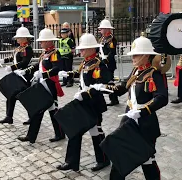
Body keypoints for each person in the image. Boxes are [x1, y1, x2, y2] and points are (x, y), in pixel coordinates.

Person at [107, 35, 168, 180]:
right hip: (129, 121)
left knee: (147, 161)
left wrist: (142, 111)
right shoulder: (136, 71)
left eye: (137, 54)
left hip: (145, 123)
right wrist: (105, 88)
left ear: (146, 55)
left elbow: (162, 98)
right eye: (133, 54)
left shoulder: (155, 74)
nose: (133, 58)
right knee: (119, 155)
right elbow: (124, 87)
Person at [56, 33, 111, 172]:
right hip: (82, 102)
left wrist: (85, 94)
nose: (81, 51)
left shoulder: (99, 63)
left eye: (84, 49)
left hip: (93, 103)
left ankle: (103, 159)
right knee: (75, 130)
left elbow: (102, 85)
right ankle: (71, 162)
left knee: (96, 132)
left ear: (92, 49)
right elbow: (80, 75)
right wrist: (67, 74)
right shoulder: (86, 61)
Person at [15, 28, 65, 143]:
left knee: (53, 111)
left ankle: (59, 133)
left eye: (42, 41)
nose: (40, 43)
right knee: (40, 110)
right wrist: (26, 71)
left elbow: (57, 68)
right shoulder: (45, 53)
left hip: (50, 85)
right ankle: (32, 136)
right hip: (42, 84)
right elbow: (37, 65)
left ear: (48, 41)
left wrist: (44, 74)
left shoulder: (54, 53)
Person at [0, 25, 34, 125]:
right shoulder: (20, 48)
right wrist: (4, 60)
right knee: (10, 95)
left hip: (24, 75)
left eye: (19, 37)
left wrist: (12, 67)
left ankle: (32, 116)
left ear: (25, 38)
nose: (17, 39)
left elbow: (24, 62)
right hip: (17, 75)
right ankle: (9, 116)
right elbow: (14, 58)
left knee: (25, 97)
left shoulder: (27, 49)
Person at [98, 19, 119, 106]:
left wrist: (106, 60)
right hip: (102, 62)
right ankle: (112, 98)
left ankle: (114, 99)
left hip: (109, 63)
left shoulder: (112, 39)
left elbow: (112, 52)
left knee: (110, 81)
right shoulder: (102, 38)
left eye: (102, 28)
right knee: (105, 80)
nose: (100, 30)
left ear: (107, 29)